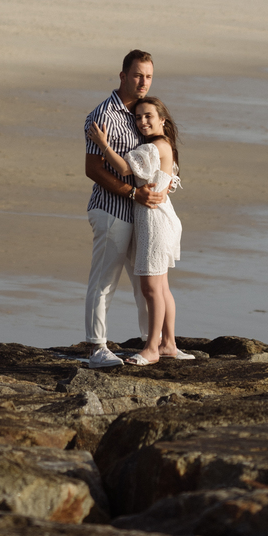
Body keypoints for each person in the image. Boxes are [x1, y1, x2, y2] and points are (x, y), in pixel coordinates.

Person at [87, 95, 191, 364]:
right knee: (162, 287)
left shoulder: (154, 147)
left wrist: (103, 145)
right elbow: (169, 179)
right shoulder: (163, 145)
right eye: (138, 117)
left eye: (148, 117)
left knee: (151, 289)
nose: (142, 121)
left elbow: (122, 167)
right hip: (159, 217)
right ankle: (168, 343)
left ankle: (152, 349)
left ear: (162, 120)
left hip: (154, 222)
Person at [82, 49, 165, 369]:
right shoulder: (103, 116)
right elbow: (93, 169)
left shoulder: (144, 112)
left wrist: (167, 185)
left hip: (143, 216)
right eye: (137, 75)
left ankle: (153, 345)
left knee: (146, 281)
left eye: (148, 76)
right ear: (122, 76)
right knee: (104, 280)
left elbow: (162, 154)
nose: (143, 82)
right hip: (112, 210)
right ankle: (96, 347)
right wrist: (132, 192)